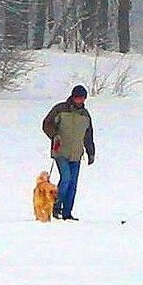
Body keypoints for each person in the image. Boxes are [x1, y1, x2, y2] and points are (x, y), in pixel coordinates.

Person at [41, 85, 96, 220]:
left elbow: (88, 135)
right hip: (60, 151)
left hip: (76, 153)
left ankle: (67, 212)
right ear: (72, 96)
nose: (79, 100)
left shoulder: (85, 115)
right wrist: (55, 135)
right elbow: (46, 124)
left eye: (82, 98)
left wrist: (91, 152)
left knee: (73, 184)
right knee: (66, 178)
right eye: (77, 97)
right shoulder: (60, 109)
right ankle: (56, 205)